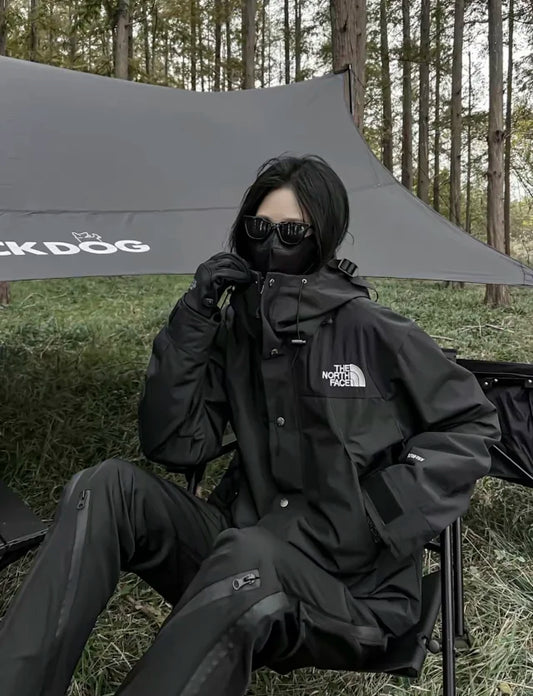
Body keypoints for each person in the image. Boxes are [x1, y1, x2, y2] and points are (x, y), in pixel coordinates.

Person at [0, 154, 501, 695]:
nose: (272, 244)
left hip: (351, 589)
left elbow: (472, 423)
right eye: (260, 229)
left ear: (324, 236)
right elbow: (175, 442)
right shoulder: (239, 331)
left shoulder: (374, 331)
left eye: (292, 232)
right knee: (106, 487)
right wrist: (194, 318)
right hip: (242, 548)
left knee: (248, 554)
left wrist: (379, 511)